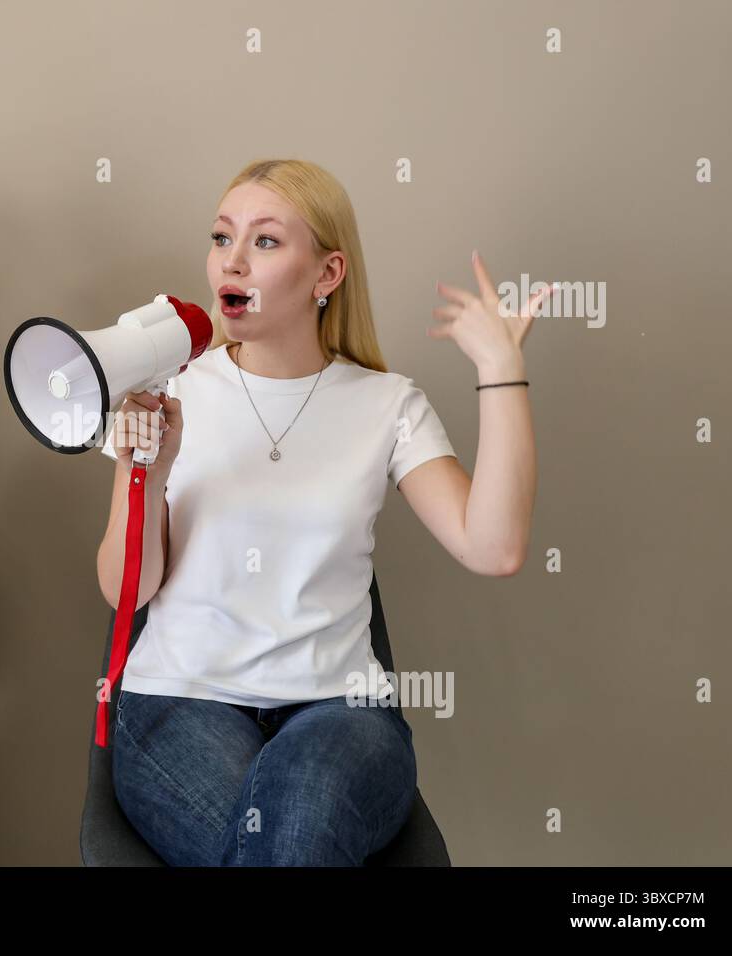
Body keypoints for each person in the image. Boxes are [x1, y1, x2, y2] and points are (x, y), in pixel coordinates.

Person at [96, 158, 547, 866]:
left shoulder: (387, 405)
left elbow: (494, 548)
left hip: (340, 714)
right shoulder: (170, 389)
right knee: (289, 847)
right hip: (178, 704)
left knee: (296, 826)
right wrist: (143, 472)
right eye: (221, 238)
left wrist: (500, 371)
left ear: (327, 274)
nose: (232, 262)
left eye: (266, 242)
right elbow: (126, 588)